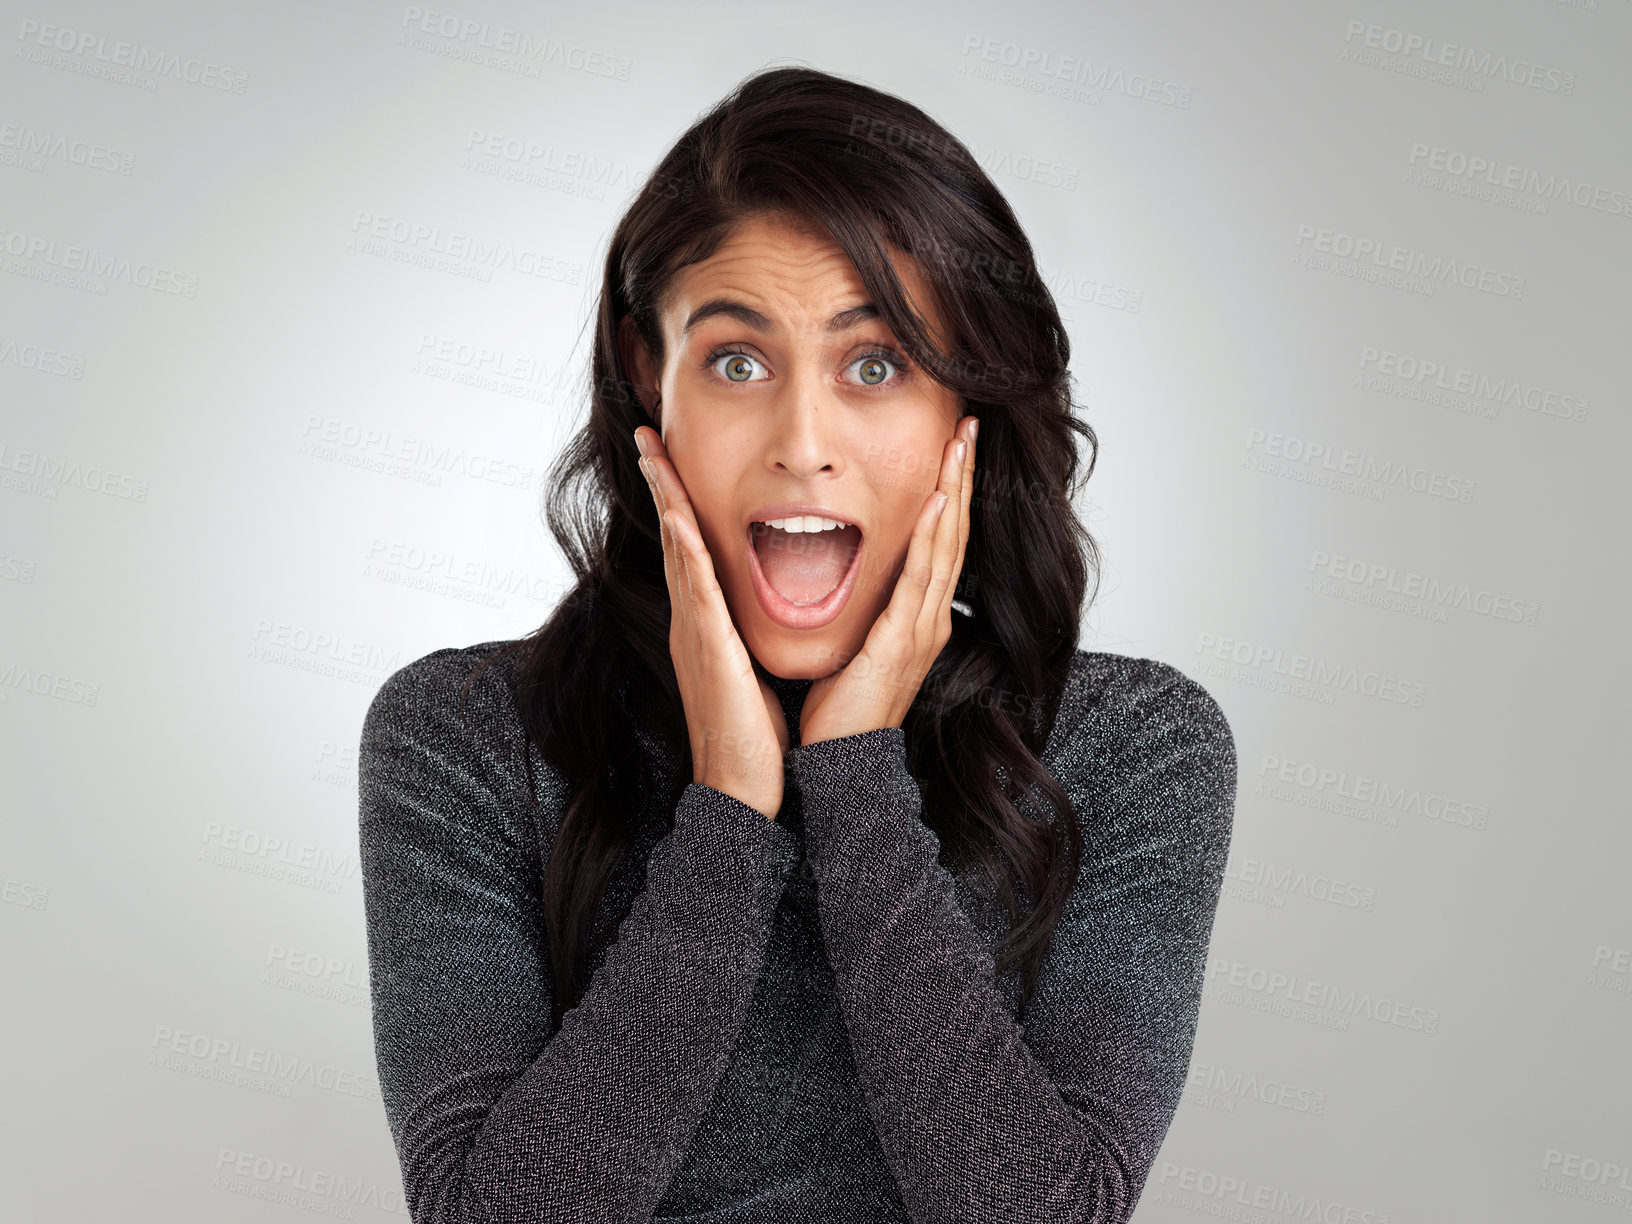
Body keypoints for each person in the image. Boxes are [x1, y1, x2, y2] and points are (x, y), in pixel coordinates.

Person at [358, 64, 1237, 1224]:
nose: (804, 442)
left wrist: (855, 778)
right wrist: (728, 807)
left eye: (877, 365)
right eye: (737, 362)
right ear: (644, 374)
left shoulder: (1135, 749)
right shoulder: (463, 736)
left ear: (966, 403)